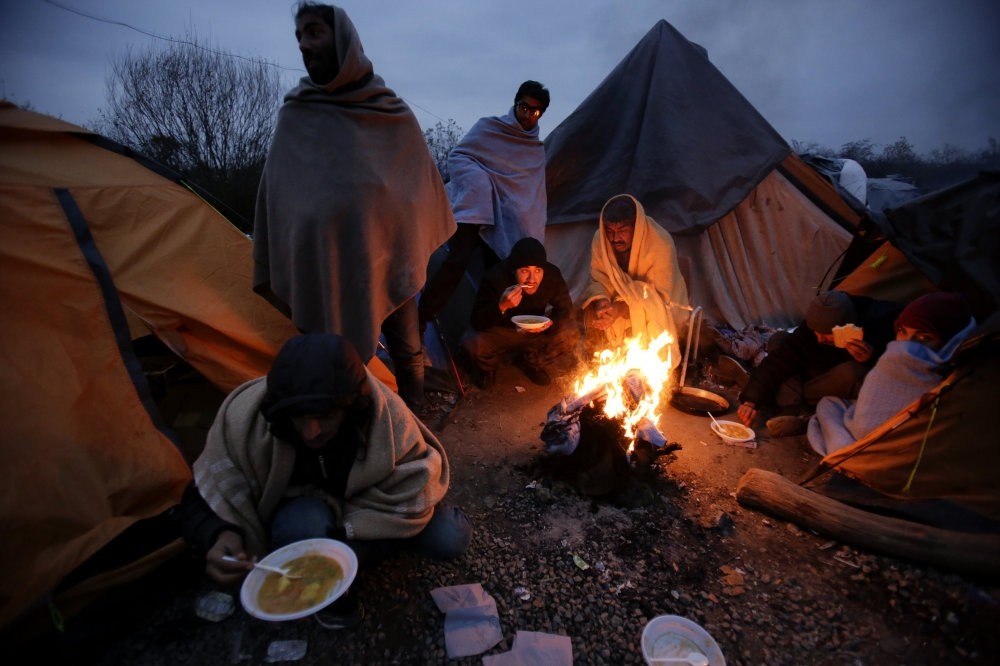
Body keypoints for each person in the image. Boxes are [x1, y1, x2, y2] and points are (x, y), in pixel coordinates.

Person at [176, 334, 471, 628]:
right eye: (300, 418)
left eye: (325, 416)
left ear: (351, 406)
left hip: (374, 503)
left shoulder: (385, 417)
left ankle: (346, 551)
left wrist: (356, 533)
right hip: (307, 509)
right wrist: (218, 534)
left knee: (450, 537)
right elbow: (202, 494)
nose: (311, 432)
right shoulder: (248, 423)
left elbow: (416, 479)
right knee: (301, 525)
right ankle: (336, 587)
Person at [252, 3, 455, 414]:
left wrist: (395, 228)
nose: (306, 46)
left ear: (342, 38)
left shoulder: (388, 111)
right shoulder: (297, 115)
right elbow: (279, 195)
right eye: (300, 38)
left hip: (387, 257)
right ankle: (353, 423)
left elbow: (418, 187)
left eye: (314, 33)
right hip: (322, 264)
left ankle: (412, 418)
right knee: (331, 353)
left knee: (408, 347)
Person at [418, 81, 550, 333]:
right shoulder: (490, 128)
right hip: (477, 210)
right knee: (455, 263)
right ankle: (420, 321)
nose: (527, 115)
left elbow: (533, 196)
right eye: (523, 107)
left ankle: (493, 338)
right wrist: (480, 185)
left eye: (534, 111)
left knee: (498, 278)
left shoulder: (534, 150)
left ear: (540, 114)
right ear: (515, 104)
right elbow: (459, 156)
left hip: (507, 222)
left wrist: (529, 230)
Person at [807, 291, 976, 456]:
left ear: (951, 343)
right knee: (828, 404)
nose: (907, 345)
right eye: (903, 332)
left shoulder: (959, 383)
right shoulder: (894, 354)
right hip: (858, 414)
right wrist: (872, 359)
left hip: (880, 444)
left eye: (924, 338)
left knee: (842, 387)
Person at [736, 290, 903, 435]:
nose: (819, 338)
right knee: (779, 340)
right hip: (810, 372)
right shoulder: (814, 328)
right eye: (816, 333)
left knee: (852, 372)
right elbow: (782, 357)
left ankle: (794, 406)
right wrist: (752, 399)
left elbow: (895, 376)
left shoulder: (883, 322)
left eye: (826, 334)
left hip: (830, 383)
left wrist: (872, 358)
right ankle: (789, 405)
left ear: (846, 327)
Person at [579, 194, 689, 370]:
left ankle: (653, 373)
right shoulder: (600, 239)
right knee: (591, 311)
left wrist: (620, 308)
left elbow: (658, 300)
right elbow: (599, 277)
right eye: (609, 230)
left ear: (636, 226)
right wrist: (603, 303)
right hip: (617, 304)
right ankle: (602, 365)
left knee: (650, 320)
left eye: (622, 230)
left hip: (662, 310)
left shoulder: (660, 243)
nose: (615, 238)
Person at [461, 237, 579, 389]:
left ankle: (532, 361)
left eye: (537, 271)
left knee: (571, 332)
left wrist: (549, 324)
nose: (532, 279)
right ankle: (488, 369)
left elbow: (565, 309)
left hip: (536, 331)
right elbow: (477, 321)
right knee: (471, 343)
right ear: (513, 270)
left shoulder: (551, 275)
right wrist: (501, 306)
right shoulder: (495, 277)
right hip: (503, 331)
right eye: (524, 271)